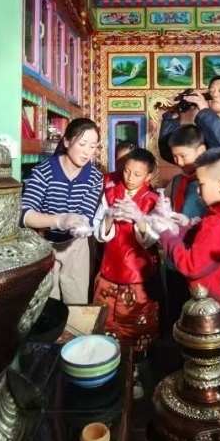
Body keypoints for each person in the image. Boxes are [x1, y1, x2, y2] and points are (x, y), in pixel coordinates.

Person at [149, 149, 220, 381]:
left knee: (210, 369)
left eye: (201, 184)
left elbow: (191, 265)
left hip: (213, 311)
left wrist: (166, 234)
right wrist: (183, 228)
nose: (198, 191)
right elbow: (207, 245)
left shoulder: (217, 223)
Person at [21, 118, 103, 304]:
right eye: (82, 144)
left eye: (93, 146)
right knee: (49, 303)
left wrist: (82, 225)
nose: (87, 152)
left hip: (75, 245)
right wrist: (59, 220)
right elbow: (26, 214)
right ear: (66, 142)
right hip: (44, 243)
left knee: (77, 301)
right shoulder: (44, 171)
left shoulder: (94, 177)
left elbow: (86, 214)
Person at [92, 148, 162, 353]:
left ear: (148, 176)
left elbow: (152, 240)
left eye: (137, 174)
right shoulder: (111, 193)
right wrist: (110, 216)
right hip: (110, 267)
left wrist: (139, 218)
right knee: (106, 322)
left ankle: (138, 363)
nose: (130, 178)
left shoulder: (153, 200)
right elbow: (99, 233)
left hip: (137, 272)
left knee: (136, 325)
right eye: (127, 171)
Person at [161, 125, 208, 328]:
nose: (179, 162)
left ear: (201, 150)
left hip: (200, 261)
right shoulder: (177, 181)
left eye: (183, 156)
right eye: (175, 157)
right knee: (177, 315)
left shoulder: (211, 181)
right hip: (174, 257)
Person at [158, 75, 220, 164]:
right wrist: (174, 114)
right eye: (211, 91)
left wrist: (204, 111)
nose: (215, 95)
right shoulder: (200, 127)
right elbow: (168, 153)